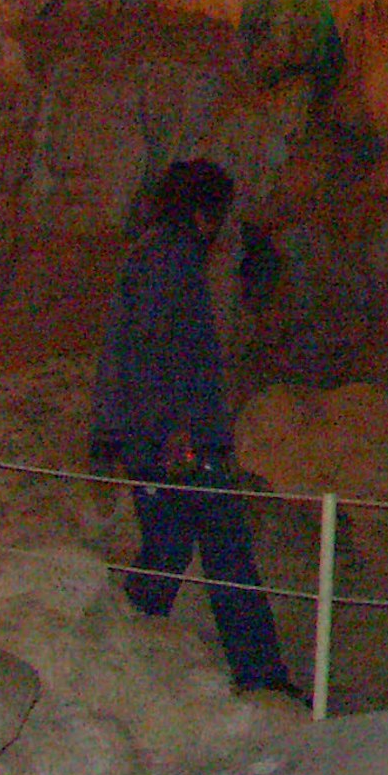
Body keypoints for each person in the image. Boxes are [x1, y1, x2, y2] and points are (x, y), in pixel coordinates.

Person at [91, 159, 298, 697]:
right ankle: (261, 676)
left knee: (167, 547)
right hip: (178, 440)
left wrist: (116, 434)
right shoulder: (171, 262)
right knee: (227, 552)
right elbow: (167, 349)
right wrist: (180, 431)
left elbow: (125, 353)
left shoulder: (149, 256)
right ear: (206, 215)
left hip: (151, 436)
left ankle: (122, 653)